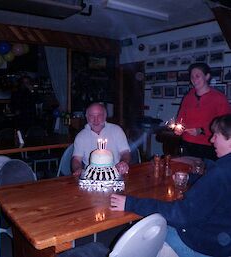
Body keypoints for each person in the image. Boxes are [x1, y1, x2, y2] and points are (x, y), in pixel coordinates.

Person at [110, 114, 231, 257]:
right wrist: (191, 178)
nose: (211, 140)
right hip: (222, 239)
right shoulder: (223, 170)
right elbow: (217, 189)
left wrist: (130, 203)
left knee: (138, 236)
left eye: (216, 136)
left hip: (205, 245)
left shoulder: (220, 173)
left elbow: (181, 214)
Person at [174, 62, 230, 160]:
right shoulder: (188, 97)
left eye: (197, 76)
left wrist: (202, 130)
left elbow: (225, 125)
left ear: (207, 76)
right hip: (187, 143)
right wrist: (178, 128)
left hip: (208, 146)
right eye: (192, 77)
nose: (194, 80)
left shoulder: (219, 98)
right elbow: (180, 119)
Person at [72, 102, 131, 176]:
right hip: (91, 176)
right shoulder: (81, 136)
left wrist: (124, 162)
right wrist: (78, 169)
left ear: (105, 116)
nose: (95, 120)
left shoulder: (116, 130)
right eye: (91, 116)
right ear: (86, 117)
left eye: (99, 115)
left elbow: (125, 152)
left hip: (116, 173)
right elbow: (76, 159)